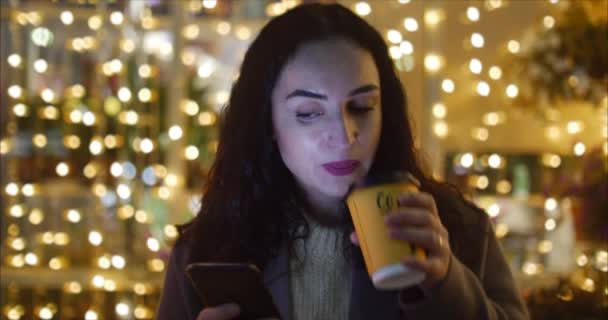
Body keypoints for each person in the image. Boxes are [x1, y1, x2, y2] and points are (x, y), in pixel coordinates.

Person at [156, 3, 529, 320]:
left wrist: (447, 283)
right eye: (308, 113)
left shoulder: (456, 230)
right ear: (267, 122)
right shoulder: (208, 249)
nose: (345, 134)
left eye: (362, 107)